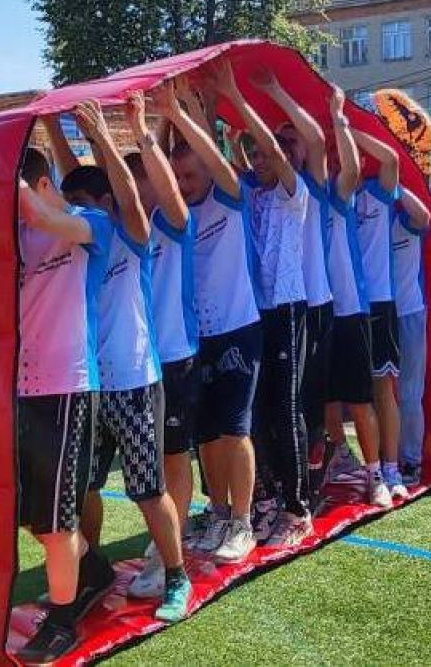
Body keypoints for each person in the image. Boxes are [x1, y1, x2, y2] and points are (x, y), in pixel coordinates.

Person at [45, 101, 191, 624]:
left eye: (86, 204)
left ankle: (177, 576)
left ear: (105, 202)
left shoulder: (130, 234)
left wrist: (105, 133)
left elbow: (124, 196)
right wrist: (51, 126)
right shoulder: (74, 245)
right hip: (88, 383)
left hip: (133, 380)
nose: (76, 213)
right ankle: (93, 570)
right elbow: (71, 182)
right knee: (83, 485)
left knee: (148, 489)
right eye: (71, 206)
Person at [12, 147, 112, 663]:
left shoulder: (87, 222)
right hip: (22, 390)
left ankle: (63, 621)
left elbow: (49, 217)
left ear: (40, 183)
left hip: (69, 387)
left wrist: (13, 185)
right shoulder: (16, 236)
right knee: (28, 513)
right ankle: (90, 569)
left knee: (56, 519)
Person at [161, 74, 261, 565]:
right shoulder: (176, 211)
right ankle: (218, 511)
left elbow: (214, 161)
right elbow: (159, 169)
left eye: (191, 177)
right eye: (177, 179)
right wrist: (160, 118)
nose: (183, 186)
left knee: (234, 429)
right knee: (206, 434)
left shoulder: (228, 196)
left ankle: (242, 523)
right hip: (196, 336)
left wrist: (182, 114)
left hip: (240, 328)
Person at [121, 91, 199, 600]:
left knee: (172, 457)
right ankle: (166, 539)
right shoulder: (125, 225)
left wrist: (142, 129)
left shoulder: (173, 220)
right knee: (148, 461)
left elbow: (169, 187)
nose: (133, 187)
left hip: (176, 354)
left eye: (141, 176)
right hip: (136, 363)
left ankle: (170, 549)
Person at [251, 71, 334, 527]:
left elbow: (316, 141)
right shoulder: (261, 191)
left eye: (288, 141)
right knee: (284, 401)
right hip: (278, 305)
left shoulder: (311, 182)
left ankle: (305, 489)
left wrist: (276, 92)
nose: (284, 147)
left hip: (312, 302)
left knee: (305, 401)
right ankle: (286, 485)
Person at [320, 88, 390, 507]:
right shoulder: (296, 195)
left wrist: (339, 118)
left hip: (351, 309)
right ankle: (340, 456)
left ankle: (375, 473)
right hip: (316, 311)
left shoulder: (338, 196)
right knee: (326, 398)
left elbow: (351, 166)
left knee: (360, 401)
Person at [341, 129, 402, 506]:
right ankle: (357, 464)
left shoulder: (377, 192)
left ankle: (391, 469)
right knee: (344, 396)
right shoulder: (333, 192)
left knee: (382, 389)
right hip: (342, 303)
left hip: (379, 301)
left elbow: (392, 161)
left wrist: (348, 125)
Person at [389, 183, 431, 490]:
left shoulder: (403, 219)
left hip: (410, 313)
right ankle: (387, 459)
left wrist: (397, 186)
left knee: (409, 393)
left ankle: (410, 460)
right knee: (380, 393)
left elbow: (424, 216)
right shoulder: (362, 222)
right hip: (377, 315)